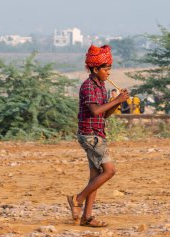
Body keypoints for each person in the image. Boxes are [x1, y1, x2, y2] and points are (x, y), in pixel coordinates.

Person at [67, 44, 129, 227]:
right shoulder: (88, 87)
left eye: (109, 69)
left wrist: (117, 103)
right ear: (95, 69)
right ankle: (77, 199)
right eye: (106, 69)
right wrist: (116, 100)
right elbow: (94, 111)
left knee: (95, 176)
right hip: (90, 135)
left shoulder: (101, 86)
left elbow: (104, 114)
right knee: (110, 170)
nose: (109, 73)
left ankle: (87, 217)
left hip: (97, 133)